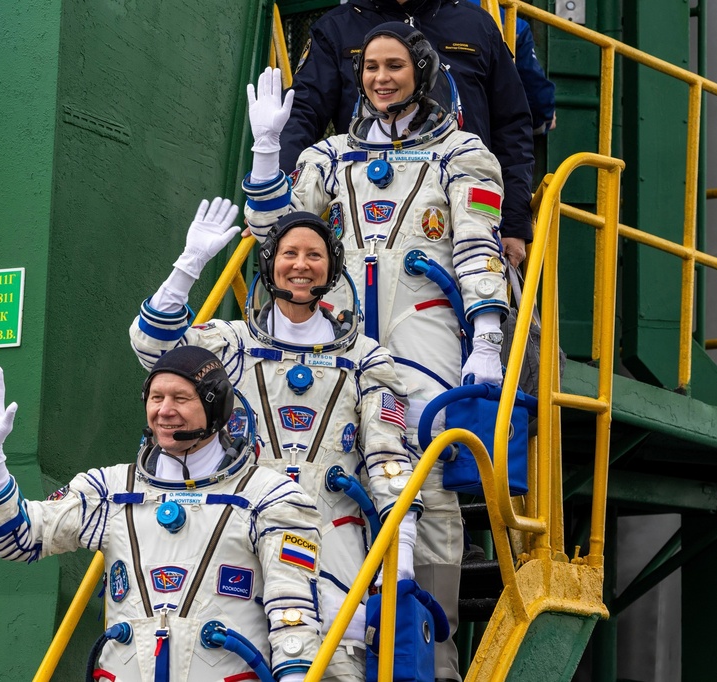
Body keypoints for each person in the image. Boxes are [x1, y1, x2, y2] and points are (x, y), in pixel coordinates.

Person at [243, 23, 510, 681]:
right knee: (337, 480)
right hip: (340, 340)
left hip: (426, 342)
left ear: (421, 70)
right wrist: (268, 151)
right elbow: (274, 239)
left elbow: (478, 250)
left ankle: (432, 651)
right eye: (369, 68)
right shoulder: (329, 158)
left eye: (394, 66)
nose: (380, 78)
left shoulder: (462, 155)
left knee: (429, 488)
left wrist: (488, 340)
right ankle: (332, 647)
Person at [130, 197, 423, 682]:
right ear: (269, 263)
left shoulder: (368, 359)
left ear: (332, 267)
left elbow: (389, 459)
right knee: (233, 657)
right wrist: (190, 264)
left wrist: (403, 556)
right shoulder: (232, 343)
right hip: (237, 526)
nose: (300, 266)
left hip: (334, 532)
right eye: (289, 254)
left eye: (314, 255)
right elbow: (155, 350)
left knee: (336, 659)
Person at [0, 349, 322, 682]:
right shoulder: (110, 490)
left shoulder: (270, 497)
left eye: (181, 398)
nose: (164, 411)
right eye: (155, 398)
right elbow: (17, 541)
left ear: (218, 407)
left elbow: (294, 618)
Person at [278, 0, 535, 268]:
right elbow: (301, 116)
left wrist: (514, 223)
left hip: (466, 221)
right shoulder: (336, 28)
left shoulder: (477, 24)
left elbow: (511, 124)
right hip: (365, 228)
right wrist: (276, 200)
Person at [463, 0, 556, 136]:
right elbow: (533, 85)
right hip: (478, 133)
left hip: (429, 122)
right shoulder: (511, 22)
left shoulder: (427, 10)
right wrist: (544, 118)